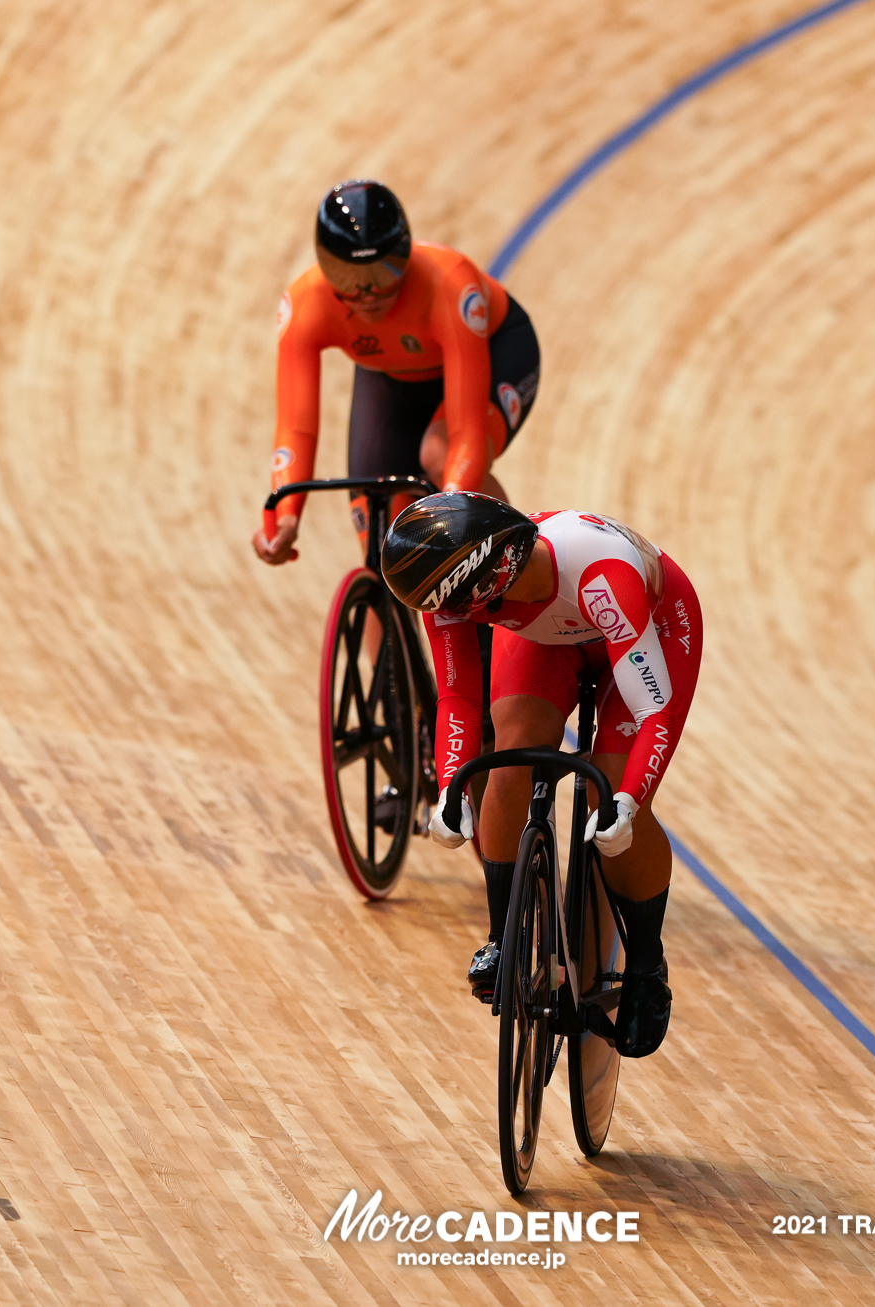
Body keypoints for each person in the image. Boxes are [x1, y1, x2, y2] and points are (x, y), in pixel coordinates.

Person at [381, 491, 703, 1058]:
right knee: (510, 762)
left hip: (646, 624)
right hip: (545, 637)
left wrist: (629, 798)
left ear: (486, 582)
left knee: (610, 787)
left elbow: (654, 712)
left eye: (457, 606)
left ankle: (648, 963)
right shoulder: (451, 588)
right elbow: (457, 697)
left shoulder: (602, 573)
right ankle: (502, 938)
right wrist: (451, 789)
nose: (448, 617)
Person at [252, 180, 540, 565]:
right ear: (323, 265)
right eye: (347, 277)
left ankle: (522, 569)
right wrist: (286, 517)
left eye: (385, 273)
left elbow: (466, 429)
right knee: (381, 545)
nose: (368, 292)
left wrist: (455, 511)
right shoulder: (306, 305)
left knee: (440, 456)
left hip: (493, 353)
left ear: (405, 255)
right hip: (392, 379)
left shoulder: (450, 285)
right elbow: (296, 427)